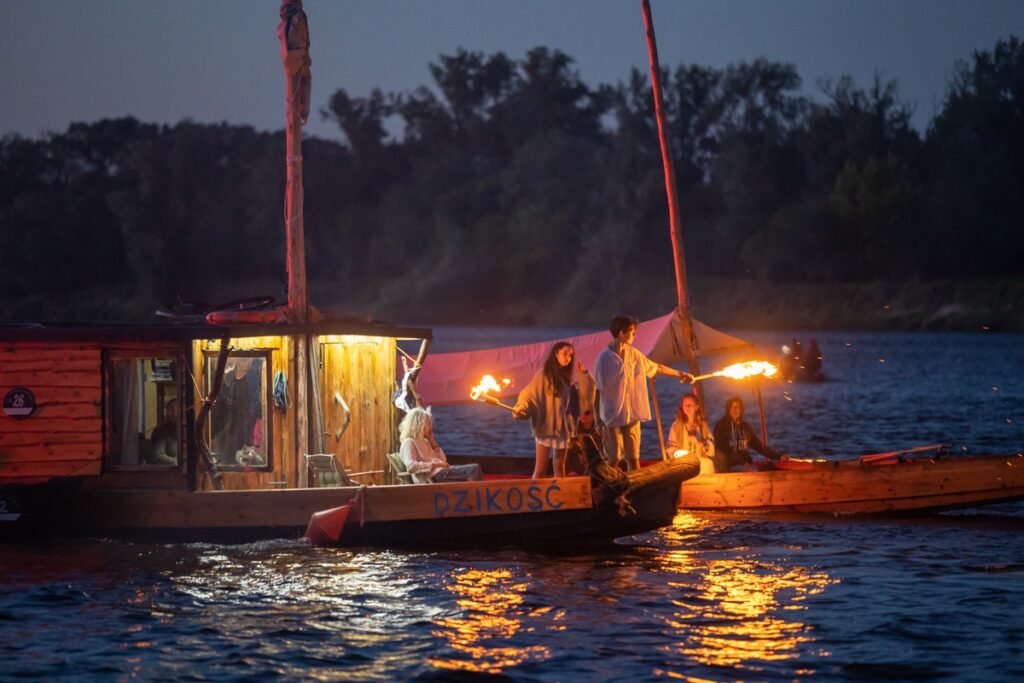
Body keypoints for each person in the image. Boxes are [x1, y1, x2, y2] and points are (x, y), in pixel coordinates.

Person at [594, 315, 694, 471]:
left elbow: (657, 368)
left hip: (632, 414)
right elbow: (598, 390)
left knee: (633, 458)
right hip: (612, 416)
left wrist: (680, 374)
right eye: (632, 332)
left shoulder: (635, 355)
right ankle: (604, 487)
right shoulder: (604, 359)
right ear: (622, 333)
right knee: (613, 458)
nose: (635, 336)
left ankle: (635, 491)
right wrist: (597, 419)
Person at [512, 342, 582, 479]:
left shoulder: (566, 378)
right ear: (556, 354)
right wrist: (522, 407)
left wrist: (572, 428)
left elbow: (570, 406)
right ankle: (534, 498)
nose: (568, 358)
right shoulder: (544, 374)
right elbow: (529, 393)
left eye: (570, 355)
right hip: (546, 427)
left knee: (560, 468)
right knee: (541, 468)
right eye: (564, 354)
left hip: (562, 429)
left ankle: (560, 497)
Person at [398, 407, 483, 484]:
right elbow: (411, 466)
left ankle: (471, 495)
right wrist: (435, 465)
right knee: (471, 473)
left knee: (475, 469)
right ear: (420, 424)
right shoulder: (408, 442)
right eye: (428, 423)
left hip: (443, 471)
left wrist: (432, 441)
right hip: (435, 476)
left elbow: (442, 459)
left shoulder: (425, 441)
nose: (430, 426)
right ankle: (472, 496)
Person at [712, 397, 787, 471]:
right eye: (732, 407)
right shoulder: (721, 426)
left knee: (770, 469)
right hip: (729, 465)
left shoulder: (746, 427)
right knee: (748, 471)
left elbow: (760, 447)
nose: (735, 410)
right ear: (728, 409)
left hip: (746, 463)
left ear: (741, 409)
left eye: (738, 407)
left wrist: (779, 456)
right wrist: (743, 463)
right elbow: (723, 450)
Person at [666, 393, 716, 472]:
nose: (686, 407)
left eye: (689, 405)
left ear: (696, 407)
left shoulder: (702, 426)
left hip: (700, 462)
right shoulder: (676, 426)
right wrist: (678, 453)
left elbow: (711, 449)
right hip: (683, 464)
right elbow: (671, 449)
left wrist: (703, 442)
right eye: (684, 405)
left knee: (708, 464)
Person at [148, 398, 180, 466]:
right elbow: (158, 456)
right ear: (167, 412)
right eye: (171, 409)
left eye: (178, 409)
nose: (175, 413)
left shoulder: (189, 429)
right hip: (169, 473)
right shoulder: (160, 431)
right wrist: (179, 463)